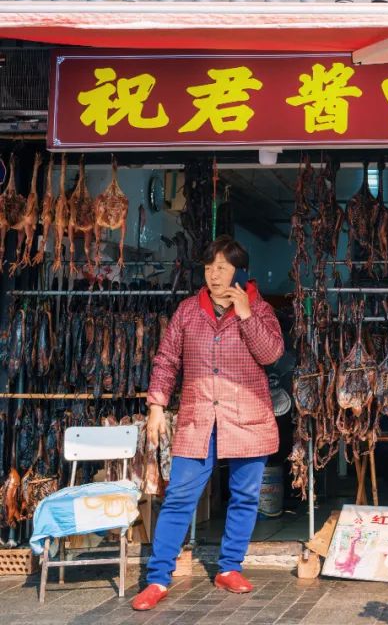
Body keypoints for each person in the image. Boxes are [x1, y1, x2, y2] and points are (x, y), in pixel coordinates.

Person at [132, 236, 285, 612]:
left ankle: (229, 567)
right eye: (208, 268)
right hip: (199, 417)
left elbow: (272, 354)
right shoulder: (187, 311)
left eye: (222, 268)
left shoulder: (260, 310)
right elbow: (167, 360)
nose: (213, 275)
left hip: (246, 417)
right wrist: (156, 405)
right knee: (180, 496)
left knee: (245, 496)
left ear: (240, 271)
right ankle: (157, 577)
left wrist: (247, 314)